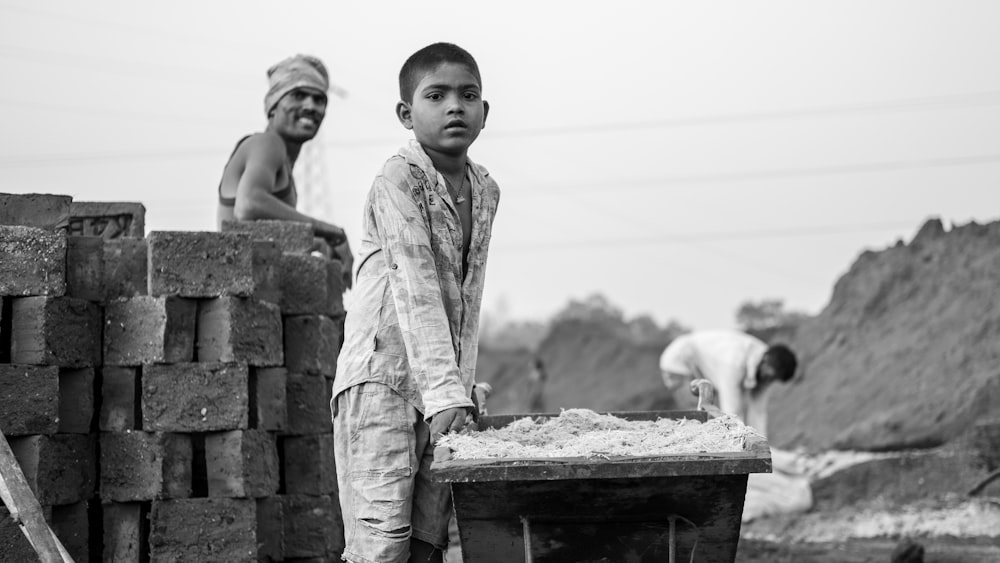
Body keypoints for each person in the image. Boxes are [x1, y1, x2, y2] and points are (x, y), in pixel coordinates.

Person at [331, 43, 499, 563]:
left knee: (430, 540)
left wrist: (459, 380)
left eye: (468, 95)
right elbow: (415, 284)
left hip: (441, 393)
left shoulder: (486, 188)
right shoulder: (398, 179)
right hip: (382, 379)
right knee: (382, 545)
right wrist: (447, 390)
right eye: (437, 95)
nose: (455, 107)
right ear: (407, 113)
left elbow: (467, 296)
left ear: (484, 113)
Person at [216, 53, 353, 283]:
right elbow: (249, 205)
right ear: (273, 107)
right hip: (238, 290)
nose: (310, 106)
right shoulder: (267, 143)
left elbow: (261, 233)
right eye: (298, 96)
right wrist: (333, 233)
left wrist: (317, 242)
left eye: (319, 99)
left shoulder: (283, 165)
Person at [659, 329, 797, 436]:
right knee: (694, 415)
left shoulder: (765, 366)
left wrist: (761, 447)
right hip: (680, 360)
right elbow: (732, 412)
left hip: (704, 368)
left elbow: (758, 412)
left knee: (713, 414)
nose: (768, 382)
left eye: (773, 380)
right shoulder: (734, 362)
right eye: (769, 377)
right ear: (765, 361)